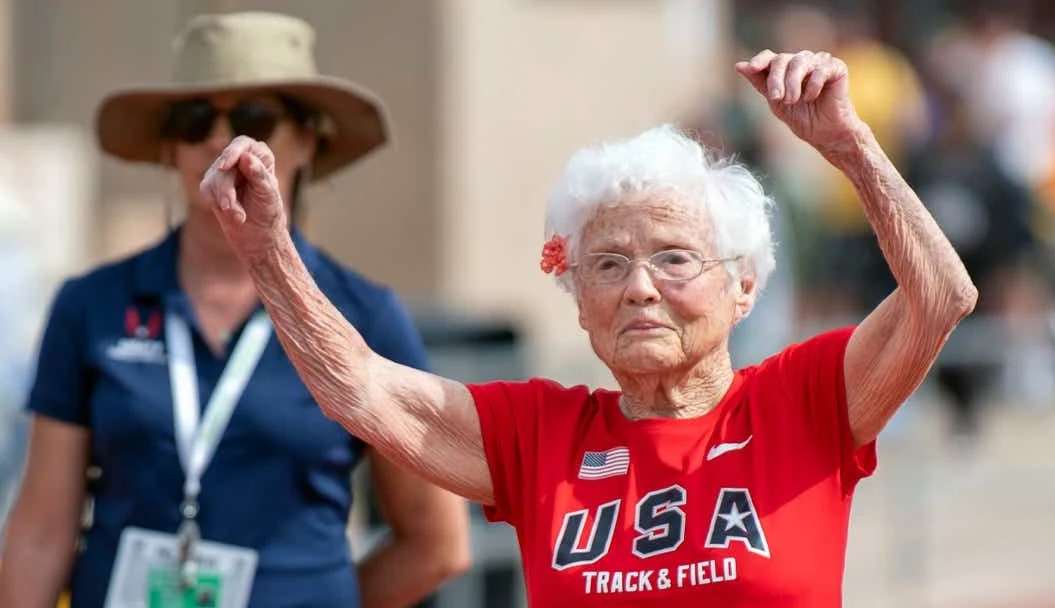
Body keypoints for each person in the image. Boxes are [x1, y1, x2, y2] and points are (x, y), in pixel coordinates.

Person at [200, 49, 977, 606]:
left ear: (743, 287)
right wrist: (267, 250)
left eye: (674, 259)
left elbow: (939, 295)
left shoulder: (799, 402)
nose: (639, 288)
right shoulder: (542, 436)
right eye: (606, 266)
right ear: (577, 301)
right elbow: (361, 389)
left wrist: (849, 146)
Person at [0, 11, 470, 608]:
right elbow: (41, 531)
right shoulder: (90, 305)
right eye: (195, 119)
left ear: (308, 141)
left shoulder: (365, 317)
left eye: (254, 118)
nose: (221, 140)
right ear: (170, 145)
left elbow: (437, 543)